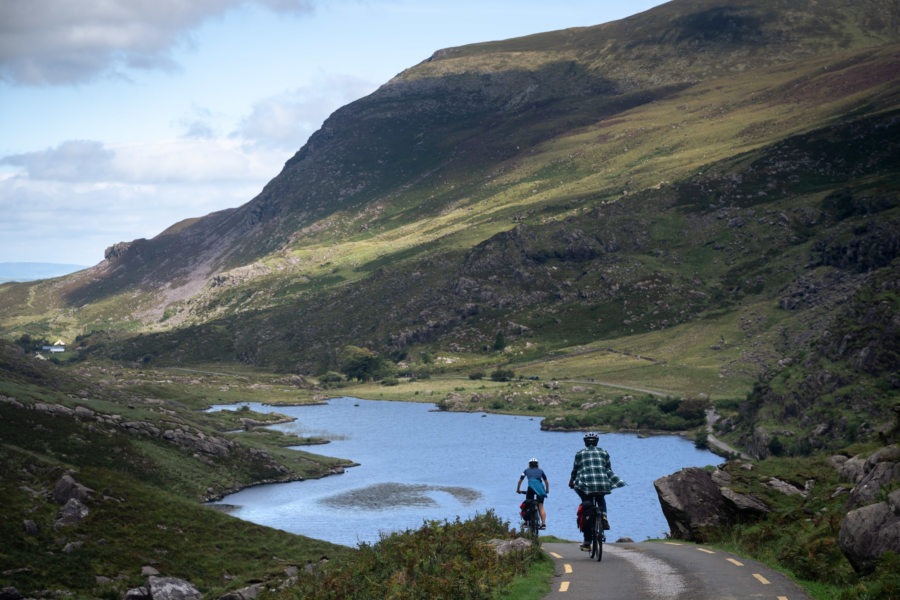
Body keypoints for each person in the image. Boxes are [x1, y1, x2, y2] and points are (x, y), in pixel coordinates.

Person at [568, 431, 626, 550]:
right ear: (597, 442)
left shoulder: (579, 454)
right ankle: (604, 517)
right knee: (601, 498)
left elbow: (575, 470)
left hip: (585, 485)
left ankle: (587, 542)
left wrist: (571, 481)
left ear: (585, 443)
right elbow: (608, 468)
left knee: (586, 508)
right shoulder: (604, 452)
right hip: (602, 484)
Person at [517, 457, 549, 529]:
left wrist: (518, 489)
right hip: (540, 488)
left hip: (531, 487)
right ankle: (543, 524)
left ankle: (525, 522)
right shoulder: (541, 471)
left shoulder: (526, 470)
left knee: (527, 505)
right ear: (537, 464)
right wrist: (547, 490)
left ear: (529, 464)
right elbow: (546, 482)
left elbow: (520, 481)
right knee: (541, 506)